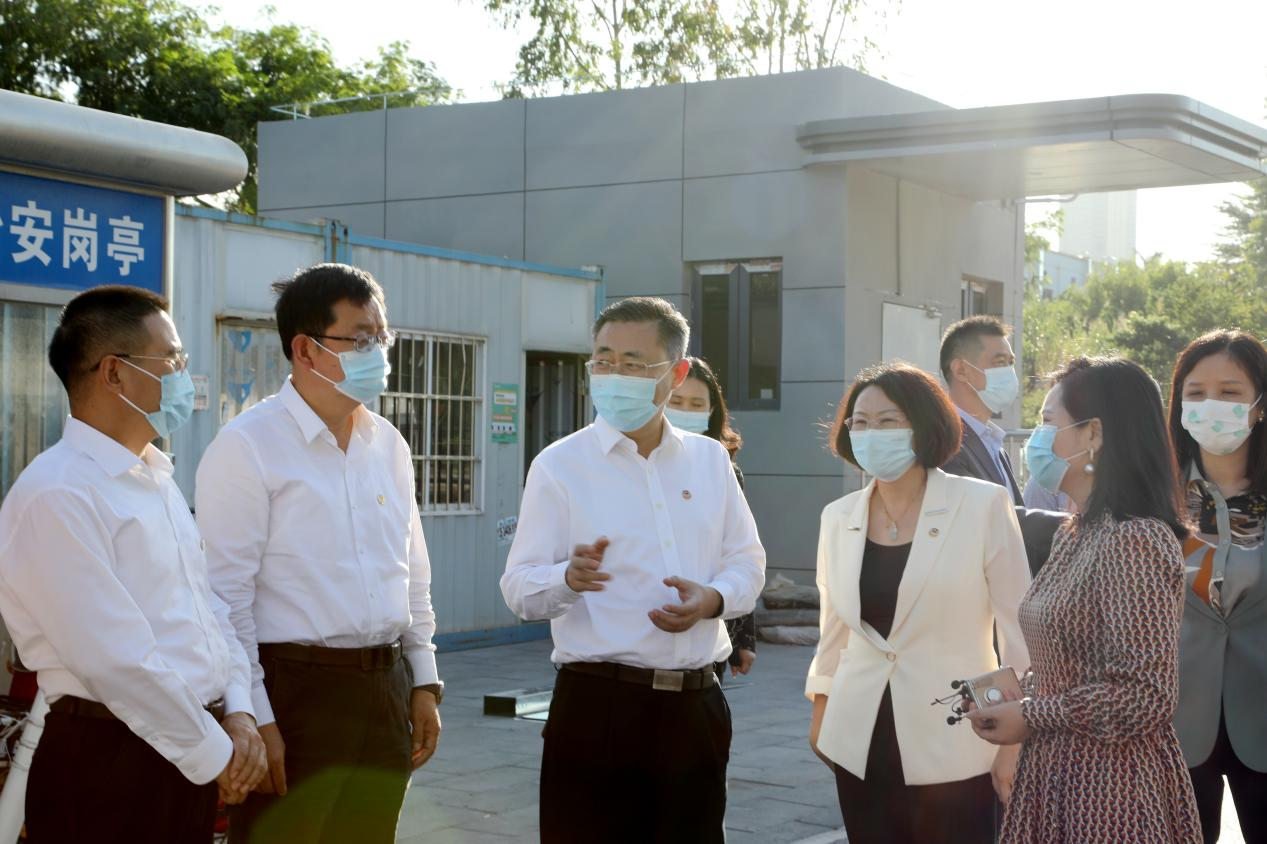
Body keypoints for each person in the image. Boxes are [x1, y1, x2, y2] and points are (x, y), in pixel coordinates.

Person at [0, 286, 266, 843]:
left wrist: (239, 709)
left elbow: (208, 610)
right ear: (114, 373)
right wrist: (216, 754)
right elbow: (115, 659)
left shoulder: (154, 479)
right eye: (172, 359)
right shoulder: (57, 493)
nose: (183, 374)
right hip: (108, 760)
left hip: (183, 749)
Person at [501, 296, 766, 844]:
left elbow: (747, 562)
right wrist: (566, 579)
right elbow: (519, 588)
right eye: (603, 360)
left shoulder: (710, 461)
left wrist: (713, 599)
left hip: (695, 706)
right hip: (599, 708)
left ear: (677, 373)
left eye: (633, 363)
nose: (614, 374)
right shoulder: (559, 465)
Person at [196, 264, 443, 843]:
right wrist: (255, 715)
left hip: (385, 689)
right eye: (360, 339)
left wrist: (424, 681)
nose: (377, 352)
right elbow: (225, 599)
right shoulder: (248, 447)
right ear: (305, 349)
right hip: (296, 694)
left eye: (382, 337)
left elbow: (412, 573)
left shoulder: (388, 444)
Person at [969, 355, 1201, 843]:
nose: (1036, 438)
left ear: (1093, 433)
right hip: (1057, 770)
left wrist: (1031, 714)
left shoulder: (1135, 539)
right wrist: (1019, 693)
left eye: (1047, 421)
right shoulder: (1077, 531)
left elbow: (1146, 695)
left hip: (1110, 789)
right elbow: (1078, 665)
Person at [807, 362, 1031, 844]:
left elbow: (1018, 629)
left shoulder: (982, 504)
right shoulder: (837, 517)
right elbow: (835, 629)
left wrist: (1012, 740)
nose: (871, 433)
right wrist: (821, 716)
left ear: (924, 424)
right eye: (860, 422)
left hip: (958, 739)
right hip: (858, 739)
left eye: (888, 420)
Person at [1168, 330, 1267, 843]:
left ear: (1259, 405)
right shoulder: (1155, 494)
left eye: (1229, 392)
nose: (1212, 405)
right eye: (1197, 393)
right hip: (1174, 722)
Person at [939, 315, 1066, 573]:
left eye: (1010, 363)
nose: (1009, 373)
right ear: (961, 370)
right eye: (999, 363)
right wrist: (1075, 526)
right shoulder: (944, 442)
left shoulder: (991, 442)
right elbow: (993, 518)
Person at [666, 356, 757, 678]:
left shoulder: (723, 470)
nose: (685, 411)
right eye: (676, 402)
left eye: (696, 404)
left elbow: (737, 554)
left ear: (711, 411)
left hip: (707, 622)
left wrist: (743, 638)